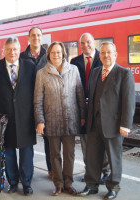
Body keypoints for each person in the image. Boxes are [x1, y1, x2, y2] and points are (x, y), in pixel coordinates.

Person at [0, 37, 36, 196]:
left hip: (26, 118)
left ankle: (26, 184)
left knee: (26, 154)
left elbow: (37, 94)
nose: (12, 52)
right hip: (4, 120)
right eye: (9, 49)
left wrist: (39, 118)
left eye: (15, 49)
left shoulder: (31, 67)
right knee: (8, 153)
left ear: (20, 50)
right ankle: (12, 182)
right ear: (4, 51)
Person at [78, 41, 135, 200]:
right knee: (92, 157)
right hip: (94, 124)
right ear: (100, 55)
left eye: (109, 52)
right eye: (103, 52)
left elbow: (128, 102)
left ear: (115, 54)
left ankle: (113, 186)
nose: (106, 55)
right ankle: (91, 185)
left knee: (114, 158)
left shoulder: (124, 74)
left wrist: (126, 125)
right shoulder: (96, 72)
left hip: (114, 125)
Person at [34, 41, 86, 196]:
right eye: (53, 52)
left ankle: (68, 183)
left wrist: (83, 116)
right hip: (51, 121)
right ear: (48, 55)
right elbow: (37, 100)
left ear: (63, 54)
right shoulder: (42, 74)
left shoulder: (74, 70)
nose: (56, 55)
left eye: (58, 52)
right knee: (54, 154)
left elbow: (80, 95)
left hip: (71, 120)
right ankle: (58, 184)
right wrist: (40, 120)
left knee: (69, 154)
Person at [70, 33, 110, 184]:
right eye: (82, 43)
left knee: (103, 140)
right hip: (83, 110)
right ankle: (90, 172)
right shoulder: (74, 62)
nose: (85, 45)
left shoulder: (103, 58)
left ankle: (106, 172)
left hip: (101, 108)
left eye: (88, 42)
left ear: (94, 43)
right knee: (86, 142)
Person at [20, 26, 52, 179]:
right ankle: (27, 173)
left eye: (38, 35)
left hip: (45, 104)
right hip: (26, 105)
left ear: (42, 37)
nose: (36, 37)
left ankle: (52, 170)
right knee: (27, 142)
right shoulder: (21, 57)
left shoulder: (49, 56)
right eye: (33, 35)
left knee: (49, 140)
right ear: (29, 37)